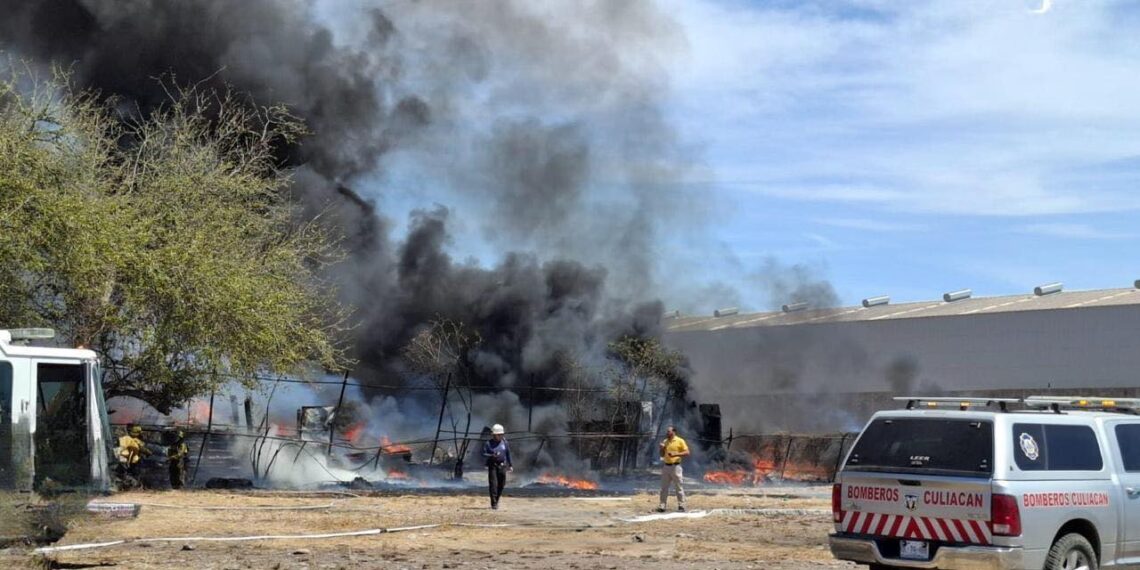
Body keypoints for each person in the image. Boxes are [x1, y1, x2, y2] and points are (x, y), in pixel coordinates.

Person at [657, 425, 690, 512]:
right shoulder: (665, 441)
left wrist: (676, 454)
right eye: (667, 431)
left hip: (676, 466)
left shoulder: (680, 441)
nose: (667, 433)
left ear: (673, 432)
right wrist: (661, 448)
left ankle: (681, 505)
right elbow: (661, 455)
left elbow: (687, 452)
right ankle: (662, 505)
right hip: (666, 466)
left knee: (679, 487)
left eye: (669, 431)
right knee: (664, 487)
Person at [482, 423, 512, 510]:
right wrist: (491, 455)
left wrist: (510, 464)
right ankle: (494, 504)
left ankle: (497, 499)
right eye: (498, 435)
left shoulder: (505, 443)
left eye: (501, 435)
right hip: (492, 466)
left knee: (501, 484)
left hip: (502, 466)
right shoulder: (488, 443)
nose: (500, 436)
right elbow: (483, 454)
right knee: (493, 485)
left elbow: (508, 453)